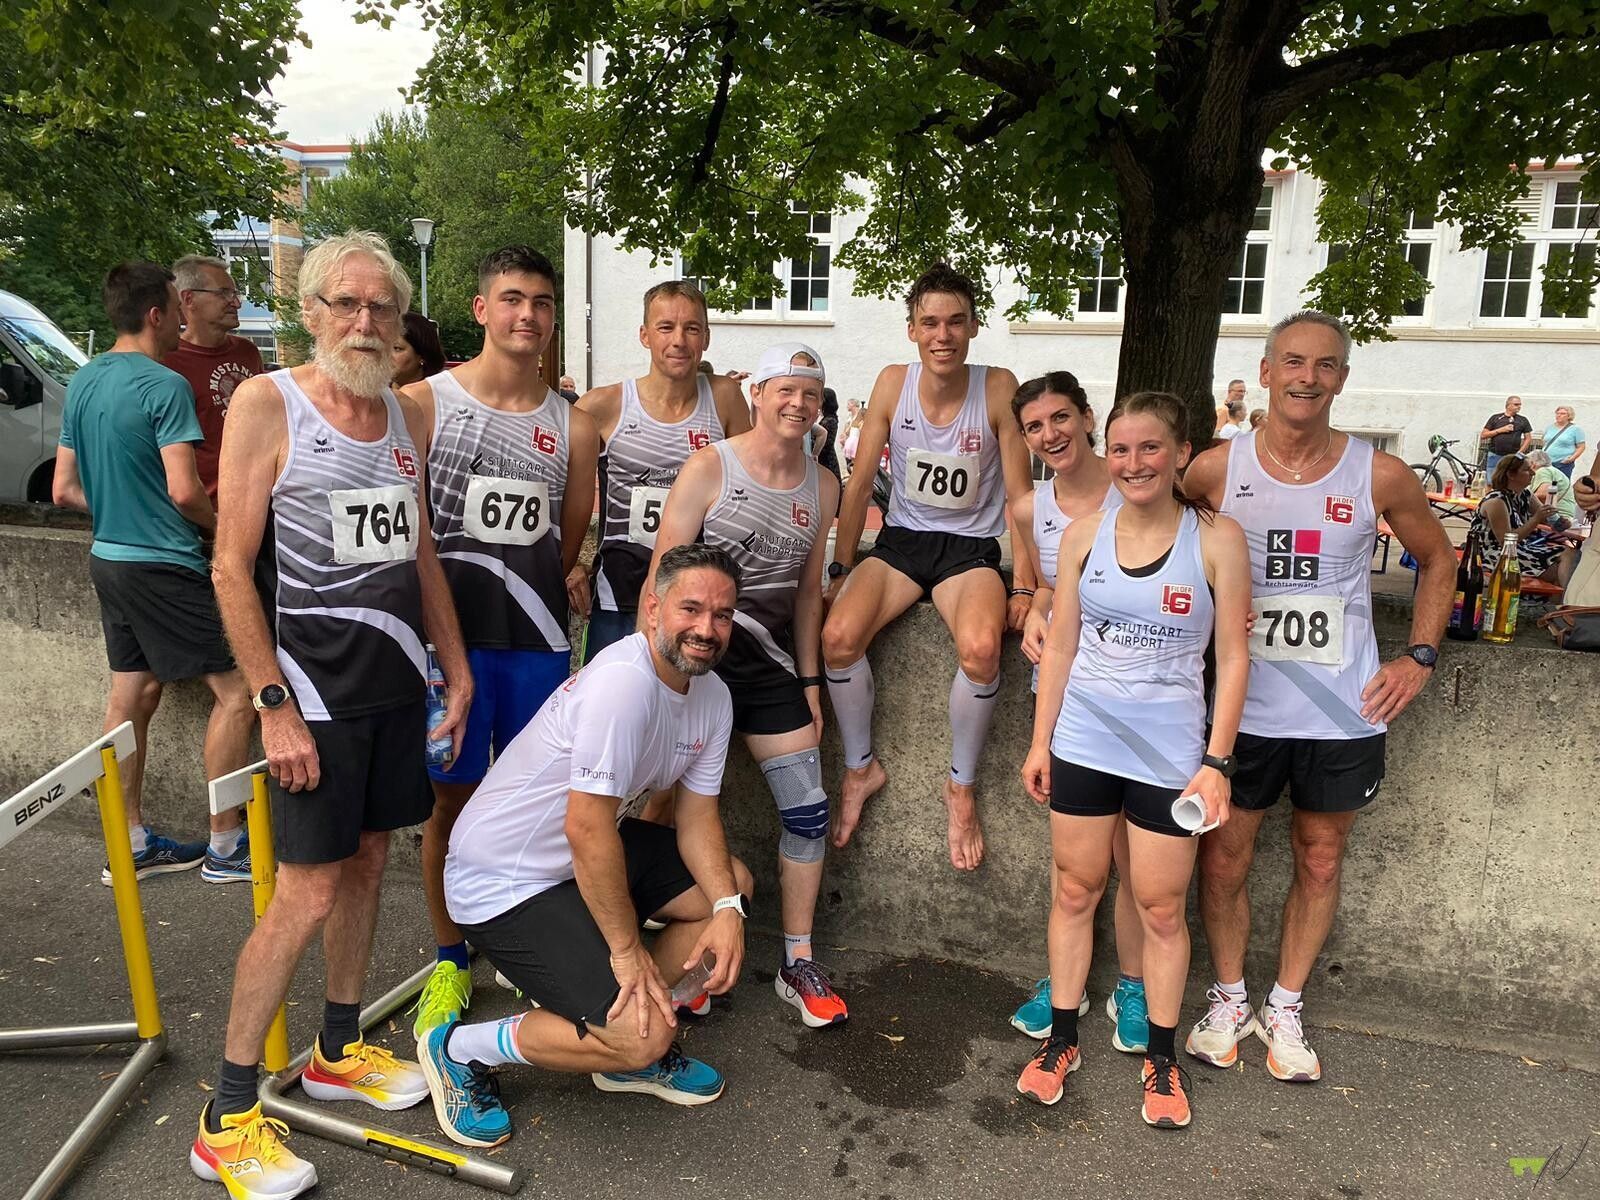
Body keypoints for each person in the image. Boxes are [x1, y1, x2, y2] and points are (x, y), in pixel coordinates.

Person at [191, 231, 473, 1199]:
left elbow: (420, 548)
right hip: (308, 700)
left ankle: (335, 1049)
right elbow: (231, 566)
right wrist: (270, 706)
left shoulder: (404, 416)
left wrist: (456, 666)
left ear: (400, 323)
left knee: (365, 866)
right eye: (345, 304)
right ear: (309, 311)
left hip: (393, 691)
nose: (365, 321)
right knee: (304, 893)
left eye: (381, 307)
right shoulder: (272, 405)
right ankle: (225, 1117)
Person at [1181, 310, 1453, 1084]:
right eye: (1293, 362)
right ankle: (1229, 996)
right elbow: (1150, 540)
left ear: (1342, 379)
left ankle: (1286, 1004)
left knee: (1322, 856)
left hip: (1343, 710)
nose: (1308, 377)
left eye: (1325, 365)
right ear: (1264, 373)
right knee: (1226, 855)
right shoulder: (1212, 470)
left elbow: (1437, 560)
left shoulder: (1378, 474)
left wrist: (1421, 657)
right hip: (1241, 708)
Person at [423, 545, 755, 1147]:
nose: (707, 628)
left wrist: (730, 911)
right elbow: (586, 827)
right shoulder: (624, 683)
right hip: (503, 877)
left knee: (728, 886)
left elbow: (698, 816)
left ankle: (620, 1033)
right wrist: (626, 953)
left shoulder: (713, 698)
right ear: (653, 610)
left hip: (574, 862)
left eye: (723, 615)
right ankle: (460, 1050)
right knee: (644, 1035)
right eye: (691, 609)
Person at [1019, 390, 1250, 1129]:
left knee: (1157, 907)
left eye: (1150, 448)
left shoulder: (1216, 539)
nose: (1133, 462)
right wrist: (1039, 739)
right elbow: (1060, 643)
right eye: (1120, 449)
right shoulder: (1086, 532)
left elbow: (1236, 658)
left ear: (1182, 453)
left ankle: (1160, 1055)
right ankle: (1061, 1041)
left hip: (1169, 752)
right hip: (1084, 739)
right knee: (1076, 890)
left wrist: (1216, 762)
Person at [404, 246, 601, 1039]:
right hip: (443, 649)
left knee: (537, 810)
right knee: (450, 803)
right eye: (513, 299)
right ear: (481, 310)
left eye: (543, 303)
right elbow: (407, 530)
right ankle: (450, 958)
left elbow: (567, 537)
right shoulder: (423, 403)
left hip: (537, 642)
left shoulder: (574, 424)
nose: (529, 316)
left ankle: (529, 953)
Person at [646, 343, 846, 1027]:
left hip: (767, 671)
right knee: (656, 807)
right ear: (756, 393)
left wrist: (813, 682)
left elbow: (810, 595)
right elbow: (662, 579)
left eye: (810, 395)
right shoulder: (710, 466)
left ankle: (797, 958)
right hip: (693, 663)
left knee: (808, 811)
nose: (797, 404)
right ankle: (664, 949)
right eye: (784, 390)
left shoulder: (823, 485)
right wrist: (656, 675)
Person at [822, 262, 1038, 871]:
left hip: (969, 553)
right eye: (929, 323)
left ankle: (960, 787)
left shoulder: (997, 386)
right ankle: (861, 769)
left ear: (973, 327)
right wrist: (841, 571)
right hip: (901, 543)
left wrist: (1025, 585)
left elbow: (1021, 498)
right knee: (837, 637)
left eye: (955, 322)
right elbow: (860, 480)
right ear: (912, 329)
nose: (942, 335)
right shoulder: (894, 382)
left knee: (981, 649)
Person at [51, 262, 253, 886]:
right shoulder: (162, 385)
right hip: (165, 563)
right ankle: (226, 846)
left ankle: (129, 841)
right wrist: (230, 531)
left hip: (108, 559)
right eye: (174, 305)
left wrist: (119, 508)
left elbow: (63, 490)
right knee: (240, 692)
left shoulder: (84, 381)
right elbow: (187, 492)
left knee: (132, 695)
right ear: (159, 314)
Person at [1004, 372, 1148, 1054]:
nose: (1050, 434)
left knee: (1133, 857)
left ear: (1087, 417)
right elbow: (1041, 588)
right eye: (1035, 427)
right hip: (1069, 693)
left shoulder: (1136, 483)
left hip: (1145, 693)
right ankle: (1066, 980)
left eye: (1061, 417)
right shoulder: (1030, 507)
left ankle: (1135, 984)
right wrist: (1031, 611)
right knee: (1075, 862)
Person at [577, 281, 751, 663]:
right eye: (665, 327)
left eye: (691, 328)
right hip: (618, 591)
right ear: (644, 335)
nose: (679, 340)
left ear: (705, 337)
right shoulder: (605, 404)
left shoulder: (724, 398)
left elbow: (751, 487)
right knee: (613, 704)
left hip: (696, 598)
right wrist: (571, 561)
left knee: (683, 715)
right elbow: (560, 484)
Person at [164, 255, 265, 502]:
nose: (237, 303)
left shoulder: (248, 352)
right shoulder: (167, 361)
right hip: (203, 512)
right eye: (224, 294)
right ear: (188, 299)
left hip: (258, 501)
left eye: (234, 293)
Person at [1468, 453, 1578, 585]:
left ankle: (1562, 602)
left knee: (1571, 553)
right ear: (1511, 474)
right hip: (1493, 554)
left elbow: (1549, 519)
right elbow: (1505, 541)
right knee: (1558, 570)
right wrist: (1535, 519)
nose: (1532, 473)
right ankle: (1562, 601)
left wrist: (1561, 523)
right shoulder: (1496, 501)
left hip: (1519, 549)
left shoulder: (1525, 494)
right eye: (1526, 470)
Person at [1481, 395, 1532, 474]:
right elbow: (1483, 435)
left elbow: (1528, 438)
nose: (1519, 407)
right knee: (1491, 480)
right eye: (1516, 404)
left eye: (1520, 405)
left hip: (1512, 456)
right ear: (1508, 405)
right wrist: (1501, 430)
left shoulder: (1523, 420)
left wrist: (1520, 453)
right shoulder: (1496, 418)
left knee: (1509, 479)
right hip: (1495, 454)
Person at [392, 312, 446, 387]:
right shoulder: (375, 394)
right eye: (383, 347)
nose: (385, 354)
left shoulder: (443, 395)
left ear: (422, 356)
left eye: (397, 348)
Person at [1527, 448, 1578, 523]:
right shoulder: (1553, 471)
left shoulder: (1543, 471)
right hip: (1564, 518)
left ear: (1533, 464)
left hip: (1555, 519)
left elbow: (1544, 494)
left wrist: (1523, 499)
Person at [1541, 406, 1586, 479]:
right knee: (1545, 484)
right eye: (1557, 413)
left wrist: (1571, 458)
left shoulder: (1576, 429)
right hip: (1546, 463)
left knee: (1561, 485)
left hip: (1562, 464)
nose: (1559, 415)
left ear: (1569, 416)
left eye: (1562, 413)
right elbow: (1544, 441)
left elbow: (1581, 447)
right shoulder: (1550, 427)